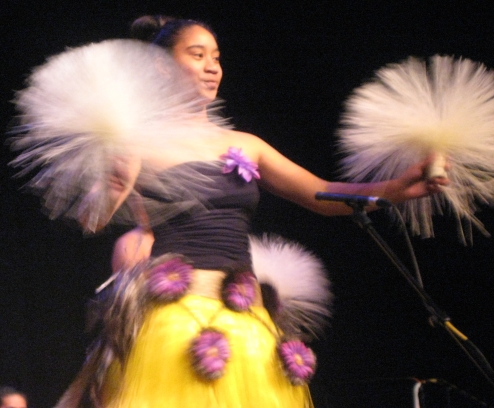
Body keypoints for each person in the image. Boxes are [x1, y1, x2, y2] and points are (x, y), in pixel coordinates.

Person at [46, 15, 448, 408]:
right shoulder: (136, 143)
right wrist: (115, 182)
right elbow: (92, 218)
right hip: (174, 322)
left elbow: (321, 194)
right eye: (197, 54)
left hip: (246, 322)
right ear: (161, 66)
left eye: (216, 57)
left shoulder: (246, 144)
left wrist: (395, 189)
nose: (211, 67)